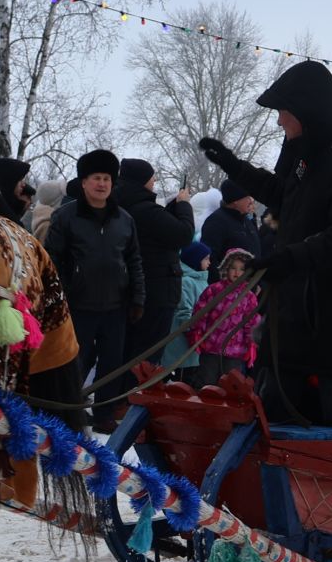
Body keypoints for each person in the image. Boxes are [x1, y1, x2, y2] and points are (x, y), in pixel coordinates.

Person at [199, 59, 332, 429]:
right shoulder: (309, 159)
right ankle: (266, 483)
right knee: (271, 411)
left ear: (308, 111)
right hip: (296, 313)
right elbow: (281, 194)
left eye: (285, 111)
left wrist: (289, 259)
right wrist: (235, 167)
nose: (280, 120)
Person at [43, 148, 144, 431]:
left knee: (112, 364)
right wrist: (59, 297)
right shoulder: (65, 217)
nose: (102, 184)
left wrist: (138, 298)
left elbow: (134, 259)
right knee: (75, 363)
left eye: (107, 179)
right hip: (78, 305)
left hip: (115, 305)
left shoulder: (124, 220)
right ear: (84, 182)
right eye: (96, 178)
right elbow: (53, 260)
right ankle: (68, 412)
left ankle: (103, 414)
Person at [115, 159, 194, 365]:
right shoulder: (146, 210)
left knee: (126, 350)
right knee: (147, 354)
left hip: (131, 290)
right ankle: (132, 396)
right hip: (157, 292)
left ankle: (119, 395)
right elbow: (183, 234)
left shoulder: (122, 206)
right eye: (151, 177)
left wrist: (171, 208)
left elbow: (158, 229)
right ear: (142, 181)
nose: (155, 181)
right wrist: (184, 205)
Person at [185, 248, 259, 388]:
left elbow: (252, 322)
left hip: (235, 350)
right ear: (226, 268)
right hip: (211, 347)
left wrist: (251, 343)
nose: (237, 272)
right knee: (206, 382)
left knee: (231, 385)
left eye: (242, 269)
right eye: (233, 268)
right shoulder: (214, 290)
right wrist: (197, 332)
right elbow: (201, 313)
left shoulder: (249, 297)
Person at [163, 240, 212, 375]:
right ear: (195, 259)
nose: (209, 263)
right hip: (184, 342)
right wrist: (192, 331)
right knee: (182, 378)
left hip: (197, 340)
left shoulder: (202, 281)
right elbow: (184, 310)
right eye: (206, 259)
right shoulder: (186, 282)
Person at [200, 181, 260, 268]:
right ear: (236, 201)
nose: (251, 201)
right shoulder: (216, 221)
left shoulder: (247, 221)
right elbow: (210, 257)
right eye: (247, 197)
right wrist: (220, 281)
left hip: (252, 280)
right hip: (230, 280)